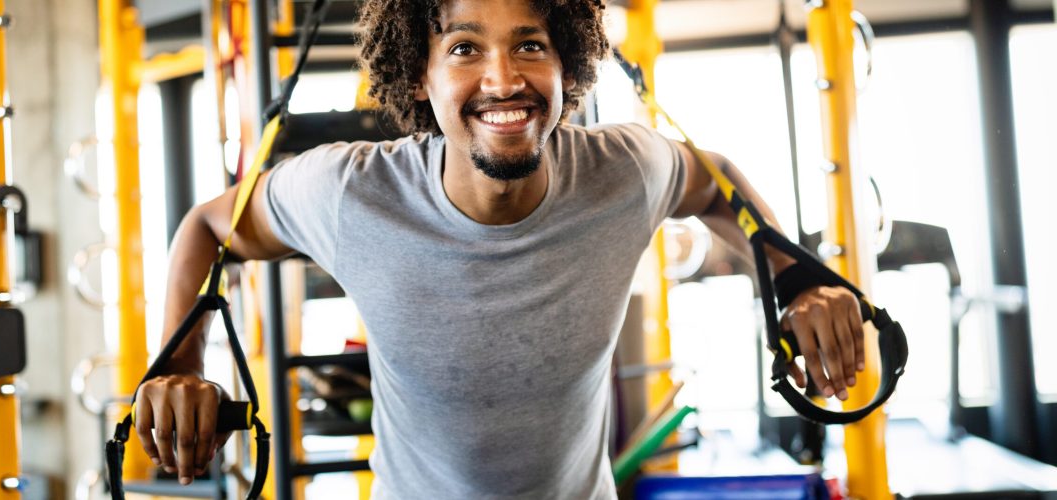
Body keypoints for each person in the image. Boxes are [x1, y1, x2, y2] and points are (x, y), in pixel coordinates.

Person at [133, 0, 868, 497]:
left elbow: (715, 185)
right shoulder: (351, 194)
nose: (503, 79)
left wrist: (795, 281)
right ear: (419, 76)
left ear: (566, 65)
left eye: (530, 45)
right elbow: (207, 227)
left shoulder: (624, 171)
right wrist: (181, 363)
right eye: (464, 48)